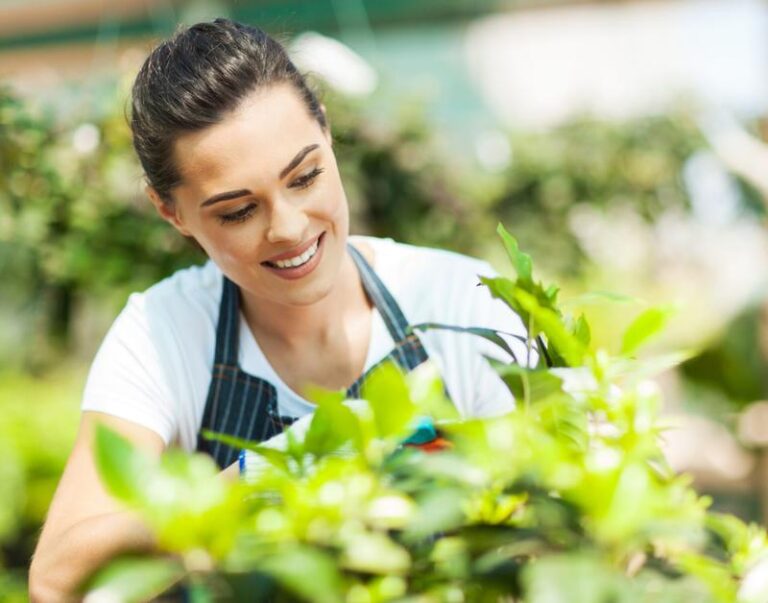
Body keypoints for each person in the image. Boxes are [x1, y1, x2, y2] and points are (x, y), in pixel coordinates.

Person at [29, 18, 528, 601]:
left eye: (305, 177)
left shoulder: (462, 299)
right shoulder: (163, 334)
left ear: (327, 131)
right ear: (172, 212)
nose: (288, 228)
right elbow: (57, 582)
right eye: (238, 211)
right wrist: (266, 474)